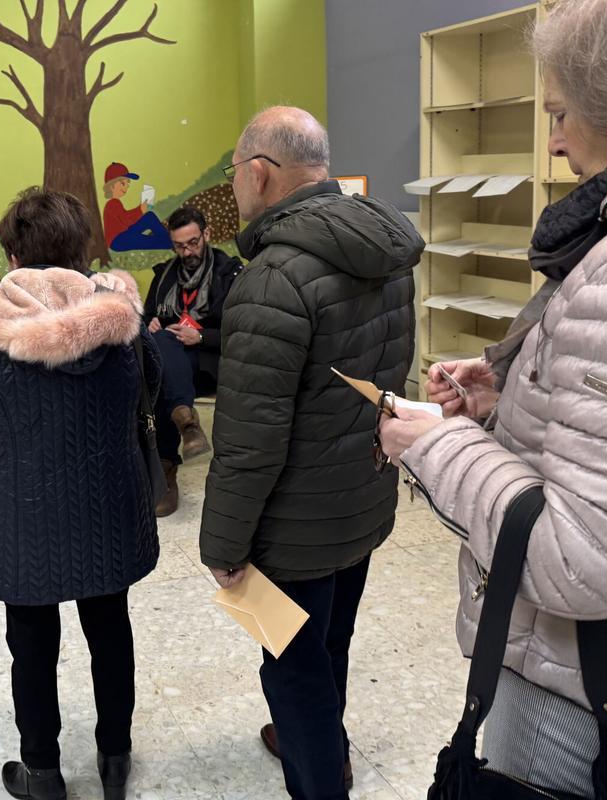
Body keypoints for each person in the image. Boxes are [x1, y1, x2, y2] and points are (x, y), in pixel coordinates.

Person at [379, 1, 607, 797]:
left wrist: (435, 445)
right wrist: (517, 395)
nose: (552, 139)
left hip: (584, 691)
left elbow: (585, 561)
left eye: (561, 112)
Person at [199, 106, 421, 799]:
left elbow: (247, 439)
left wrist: (222, 543)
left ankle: (320, 774)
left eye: (235, 174)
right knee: (328, 645)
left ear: (260, 174)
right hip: (359, 500)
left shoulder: (270, 279)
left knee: (290, 669)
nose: (235, 188)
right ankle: (332, 745)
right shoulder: (386, 247)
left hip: (289, 530)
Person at [0, 187, 161, 800]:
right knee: (110, 630)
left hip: (22, 514)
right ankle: (115, 756)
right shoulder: (120, 322)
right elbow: (150, 394)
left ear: (12, 254)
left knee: (31, 647)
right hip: (107, 506)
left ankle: (42, 772)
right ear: (82, 246)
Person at [141, 206, 242, 517]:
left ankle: (166, 467)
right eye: (179, 246)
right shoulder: (163, 276)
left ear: (206, 235)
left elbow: (242, 331)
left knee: (160, 376)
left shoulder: (230, 274)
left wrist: (199, 338)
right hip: (173, 365)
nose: (187, 252)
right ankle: (185, 421)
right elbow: (145, 319)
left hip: (209, 363)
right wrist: (151, 326)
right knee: (160, 346)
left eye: (193, 243)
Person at [101, 162, 171, 251]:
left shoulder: (115, 203)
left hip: (123, 235)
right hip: (118, 240)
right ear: (111, 186)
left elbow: (125, 219)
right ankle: (169, 242)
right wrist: (140, 210)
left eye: (128, 183)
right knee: (153, 240)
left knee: (149, 217)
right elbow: (126, 220)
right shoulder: (112, 204)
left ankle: (167, 239)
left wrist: (141, 210)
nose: (126, 187)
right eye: (123, 183)